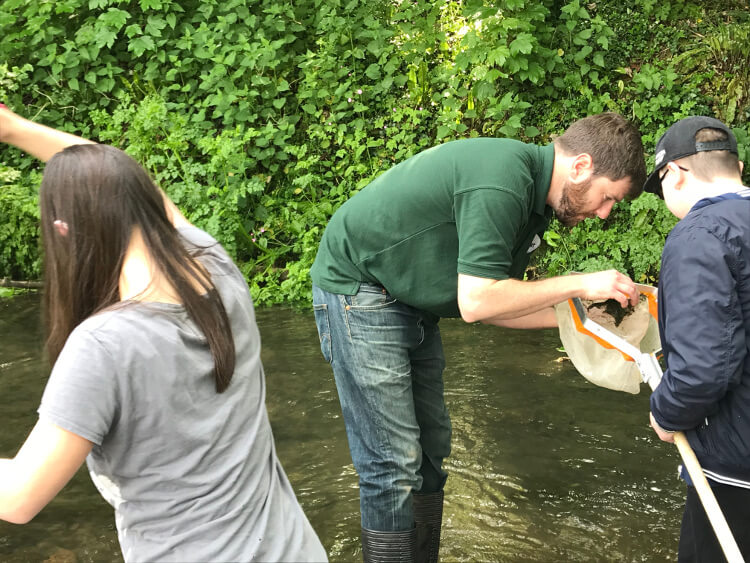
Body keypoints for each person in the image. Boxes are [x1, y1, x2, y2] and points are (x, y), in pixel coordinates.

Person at [310, 112, 647, 562]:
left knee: (430, 454)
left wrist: (581, 319)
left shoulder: (535, 207)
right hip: (360, 287)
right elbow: (477, 301)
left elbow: (494, 309)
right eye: (608, 198)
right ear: (582, 166)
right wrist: (579, 283)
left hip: (412, 303)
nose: (604, 213)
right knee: (393, 463)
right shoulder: (503, 179)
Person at [0, 104, 327, 563]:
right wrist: (15, 128)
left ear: (62, 230)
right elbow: (139, 189)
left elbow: (17, 498)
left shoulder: (102, 346)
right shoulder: (218, 271)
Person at [645, 116, 750, 561]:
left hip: (735, 469)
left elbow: (702, 371)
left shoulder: (698, 235)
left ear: (676, 173)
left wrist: (664, 414)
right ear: (738, 167)